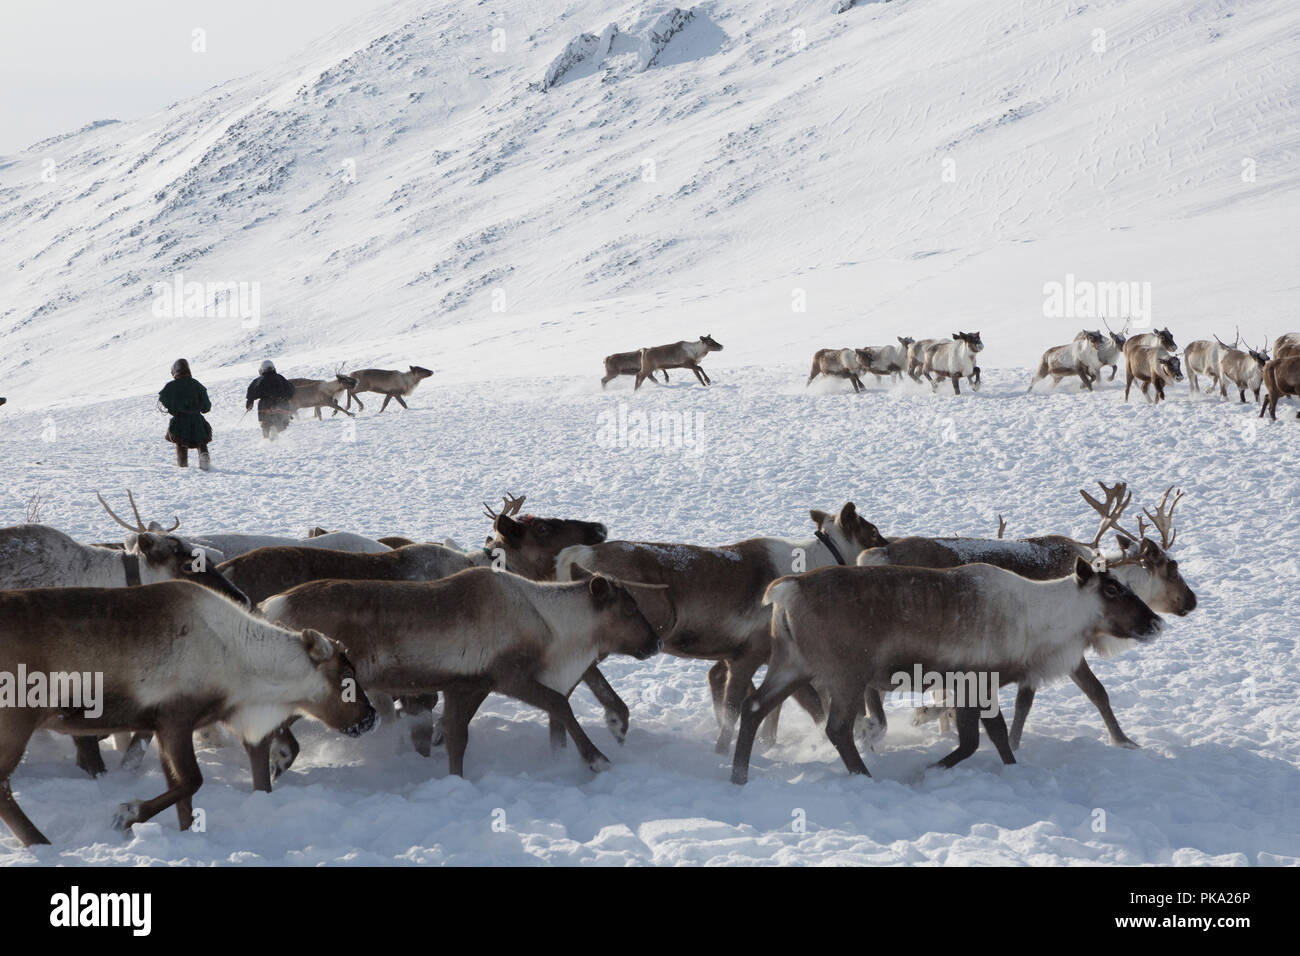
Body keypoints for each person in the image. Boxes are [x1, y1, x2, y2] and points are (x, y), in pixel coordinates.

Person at [159, 358, 212, 470]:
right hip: (197, 418)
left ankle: (182, 464)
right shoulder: (197, 384)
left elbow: (163, 400)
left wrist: (173, 409)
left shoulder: (170, 386)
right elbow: (206, 406)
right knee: (201, 440)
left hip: (180, 419)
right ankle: (204, 458)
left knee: (181, 442)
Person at [246, 360, 296, 440]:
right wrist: (287, 397)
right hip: (282, 404)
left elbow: (251, 392)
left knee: (266, 423)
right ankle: (275, 430)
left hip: (266, 405)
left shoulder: (259, 380)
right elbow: (291, 390)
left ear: (262, 370)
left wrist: (249, 403)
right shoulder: (280, 378)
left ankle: (266, 438)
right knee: (283, 423)